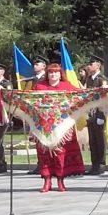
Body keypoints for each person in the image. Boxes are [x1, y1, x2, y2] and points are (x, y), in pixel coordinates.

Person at [32, 64, 86, 192]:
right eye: (50, 73)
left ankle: (61, 180)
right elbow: (31, 101)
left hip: (62, 127)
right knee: (45, 154)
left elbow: (81, 96)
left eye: (56, 73)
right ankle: (47, 180)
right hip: (44, 128)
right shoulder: (39, 86)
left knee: (61, 154)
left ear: (60, 74)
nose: (53, 75)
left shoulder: (67, 86)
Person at [83, 54, 108, 175]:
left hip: (99, 111)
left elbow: (105, 97)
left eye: (91, 64)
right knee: (92, 139)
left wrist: (101, 115)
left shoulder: (101, 78)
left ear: (98, 65)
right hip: (90, 112)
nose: (89, 66)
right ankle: (94, 164)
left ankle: (101, 163)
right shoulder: (89, 79)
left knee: (100, 139)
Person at [26, 54, 48, 176]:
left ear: (43, 66)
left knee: (44, 140)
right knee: (37, 140)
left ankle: (45, 164)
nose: (34, 66)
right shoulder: (34, 79)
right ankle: (40, 163)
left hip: (44, 113)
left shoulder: (46, 78)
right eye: (34, 64)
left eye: (37, 64)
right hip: (35, 113)